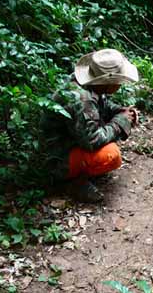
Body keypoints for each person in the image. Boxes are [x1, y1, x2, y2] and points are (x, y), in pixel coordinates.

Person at [42, 48, 139, 203]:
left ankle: (79, 173)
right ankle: (70, 183)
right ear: (107, 82)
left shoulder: (89, 86)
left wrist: (121, 112)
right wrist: (121, 122)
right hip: (56, 156)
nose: (121, 84)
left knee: (108, 145)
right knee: (111, 155)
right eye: (119, 81)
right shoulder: (81, 99)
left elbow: (104, 105)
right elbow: (92, 141)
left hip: (68, 143)